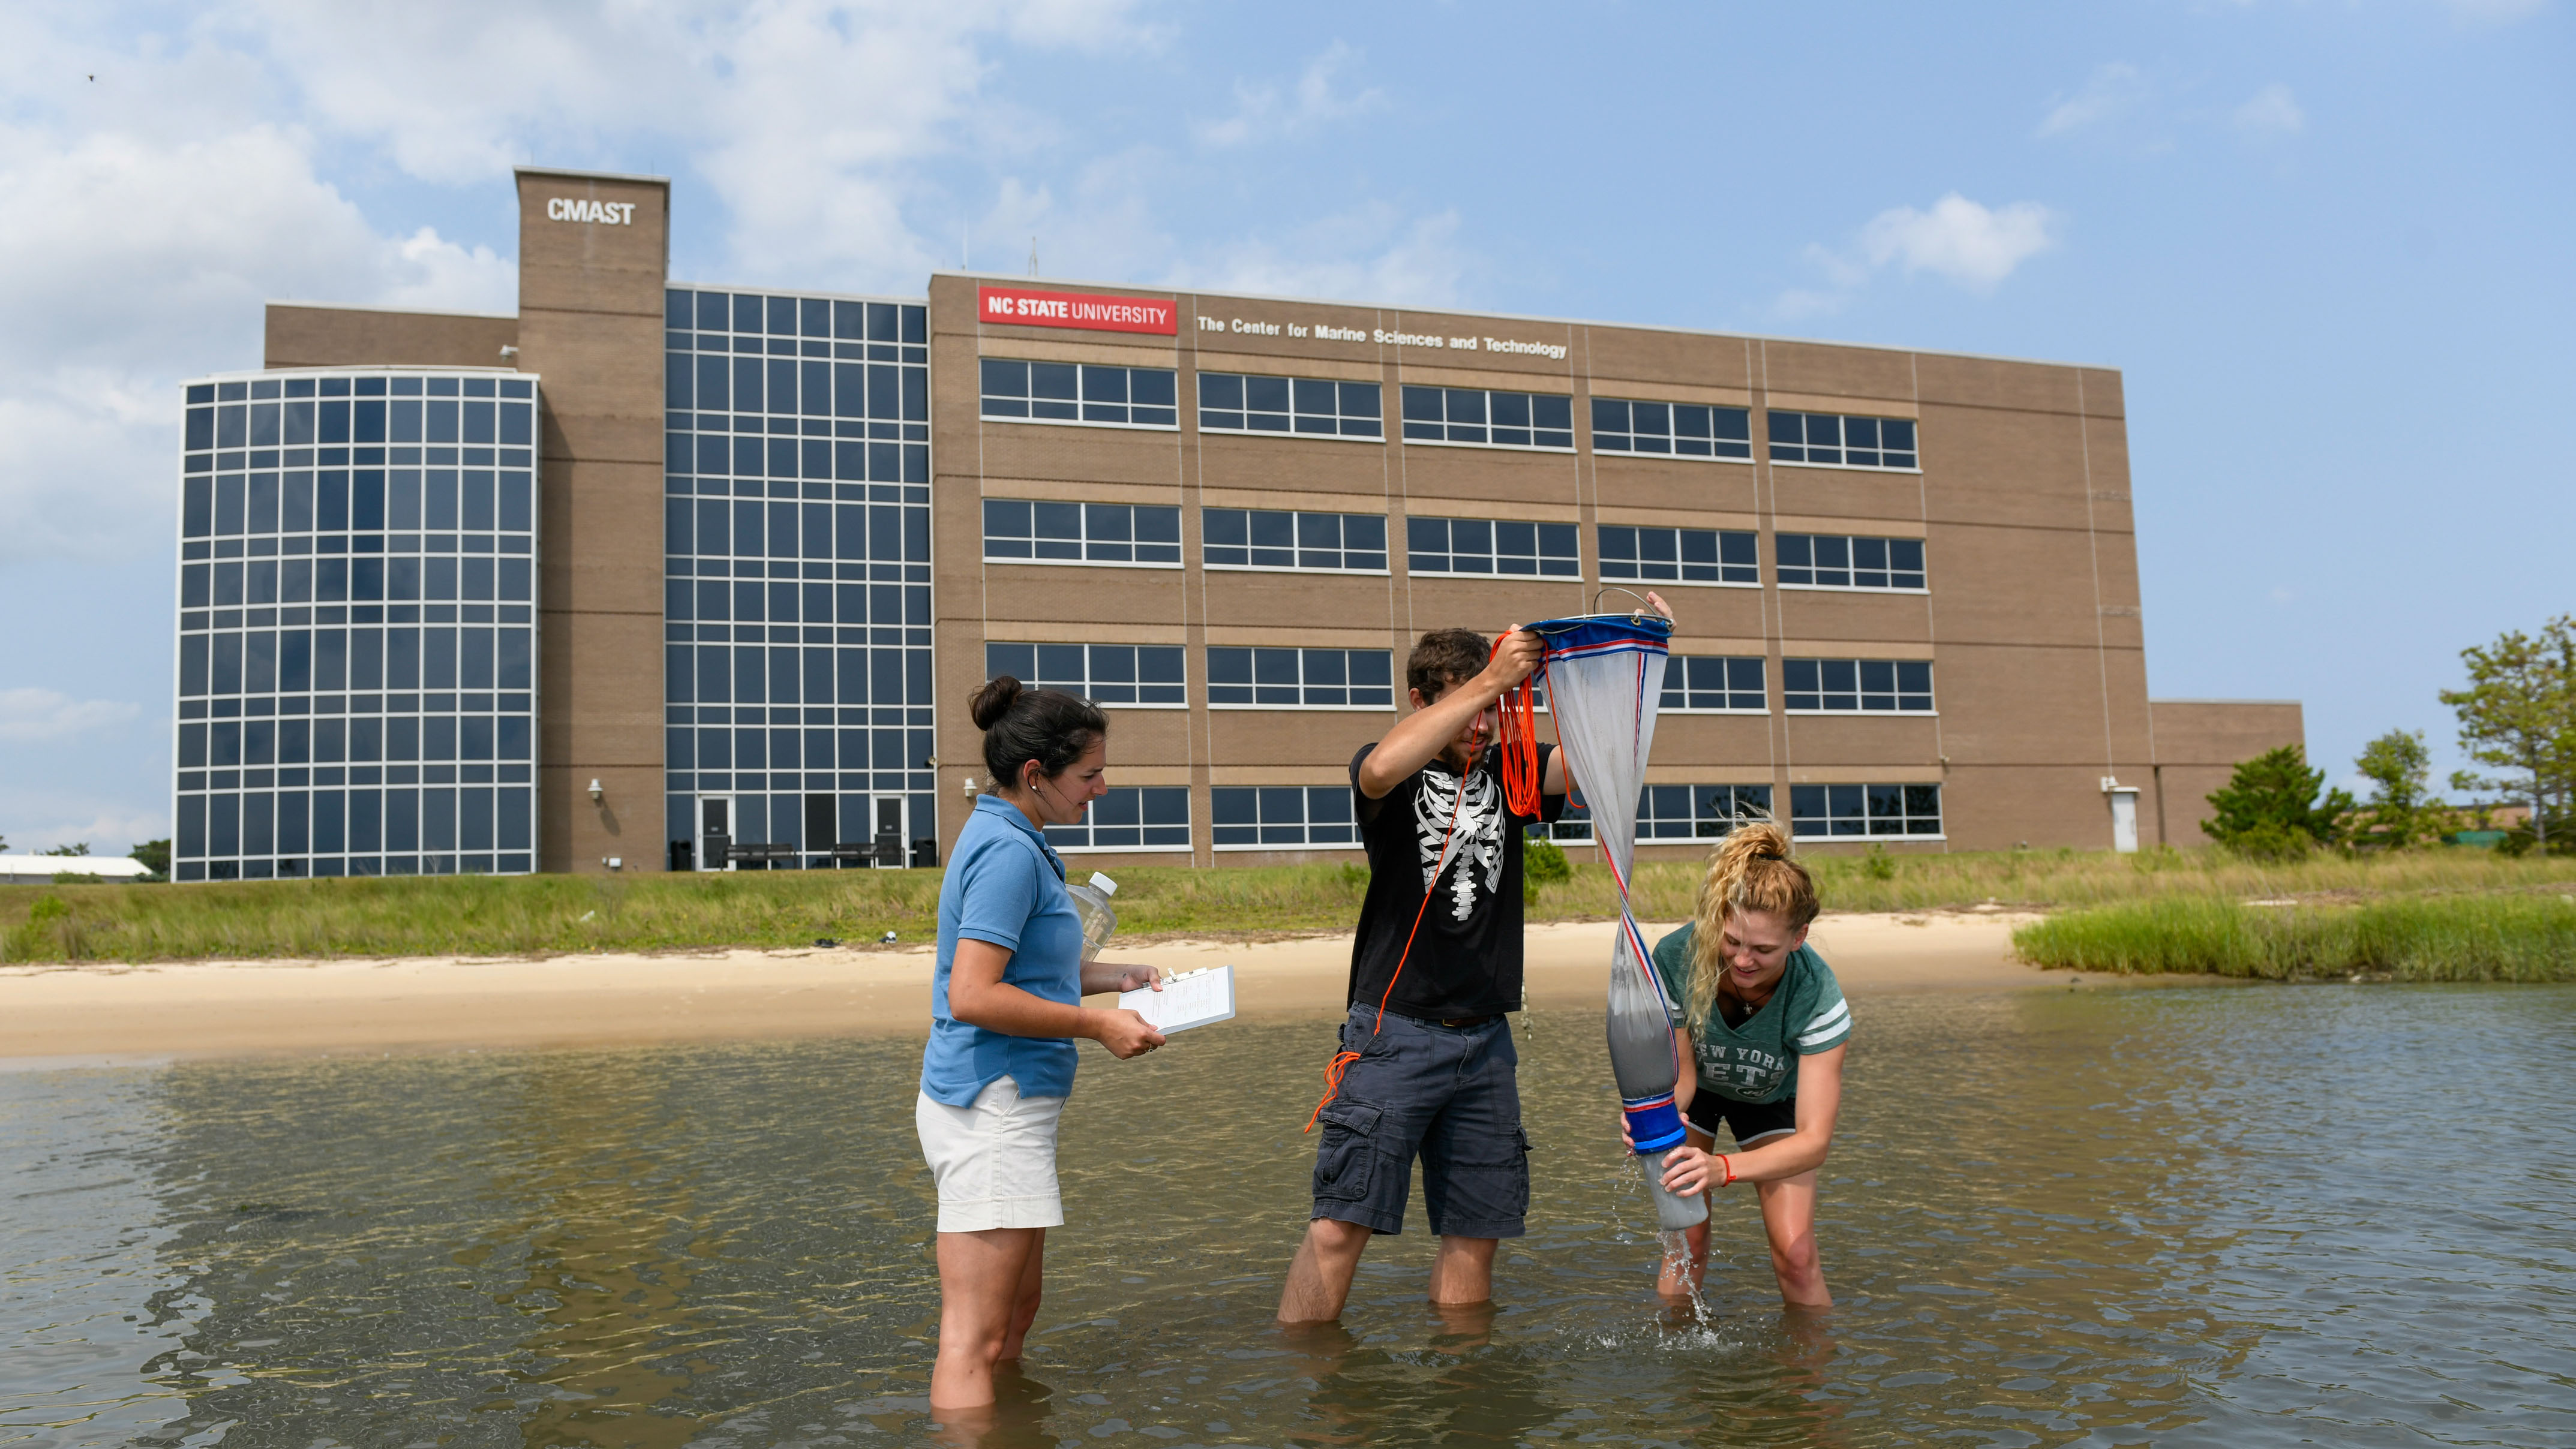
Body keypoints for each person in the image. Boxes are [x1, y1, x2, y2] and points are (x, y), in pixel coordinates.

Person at [1277, 601, 1664, 1324]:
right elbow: (1385, 766)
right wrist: (1489, 680)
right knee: (1340, 1223)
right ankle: (1310, 1383)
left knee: (1477, 1231)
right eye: (1465, 707)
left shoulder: (1510, 773)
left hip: (1485, 1041)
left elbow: (1609, 755)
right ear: (1422, 701)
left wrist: (1636, 651)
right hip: (1393, 1034)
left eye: (1491, 709)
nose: (1481, 726)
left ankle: (1466, 1383)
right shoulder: (1386, 769)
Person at [918, 676, 1168, 1412]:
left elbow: (1028, 968)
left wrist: (1118, 977)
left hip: (1012, 1107)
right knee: (974, 1339)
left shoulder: (1017, 836)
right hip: (989, 1105)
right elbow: (973, 993)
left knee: (1013, 1321)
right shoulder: (1006, 852)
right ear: (1036, 775)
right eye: (1089, 774)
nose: (1101, 787)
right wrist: (1097, 1024)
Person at [1638, 821, 1850, 1309]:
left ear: (1799, 937)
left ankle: (1809, 1380)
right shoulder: (1676, 957)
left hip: (1773, 1098)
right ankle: (1676, 1375)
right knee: (1687, 1244)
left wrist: (1723, 1168)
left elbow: (1814, 1142)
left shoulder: (1817, 993)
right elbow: (1682, 1077)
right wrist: (1651, 1117)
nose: (1742, 960)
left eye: (1763, 950)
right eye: (1731, 941)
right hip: (1700, 1094)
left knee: (1796, 1255)